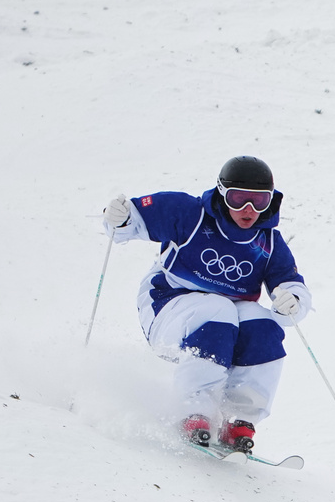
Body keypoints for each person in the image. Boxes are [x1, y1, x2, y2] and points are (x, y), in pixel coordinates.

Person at [102, 155, 312, 453]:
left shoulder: (269, 243)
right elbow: (128, 223)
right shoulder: (190, 214)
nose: (248, 210)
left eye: (259, 201)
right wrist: (119, 217)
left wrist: (292, 302)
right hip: (167, 305)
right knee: (219, 310)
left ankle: (237, 418)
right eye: (238, 199)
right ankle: (193, 409)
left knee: (263, 324)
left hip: (225, 319)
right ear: (221, 194)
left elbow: (292, 286)